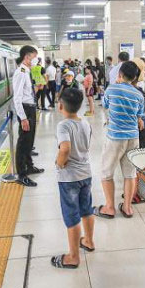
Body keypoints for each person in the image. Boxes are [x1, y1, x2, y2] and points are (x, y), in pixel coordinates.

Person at [51, 88, 95, 269]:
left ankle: (73, 257)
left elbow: (65, 148)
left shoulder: (63, 126)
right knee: (86, 210)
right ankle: (89, 241)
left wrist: (60, 163)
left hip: (69, 178)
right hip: (86, 174)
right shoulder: (85, 123)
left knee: (72, 217)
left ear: (61, 106)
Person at [95, 61, 145, 219]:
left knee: (106, 172)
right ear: (135, 77)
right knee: (130, 173)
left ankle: (109, 207)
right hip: (133, 137)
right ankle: (128, 207)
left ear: (120, 74)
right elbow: (139, 115)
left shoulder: (112, 89)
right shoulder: (138, 94)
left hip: (115, 137)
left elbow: (105, 104)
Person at [12, 46, 45, 187]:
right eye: (34, 57)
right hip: (25, 110)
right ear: (27, 56)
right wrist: (23, 117)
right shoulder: (20, 72)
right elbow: (17, 98)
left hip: (30, 108)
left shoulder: (26, 71)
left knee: (29, 141)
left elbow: (26, 92)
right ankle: (21, 174)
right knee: (23, 142)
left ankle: (29, 166)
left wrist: (36, 89)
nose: (35, 60)